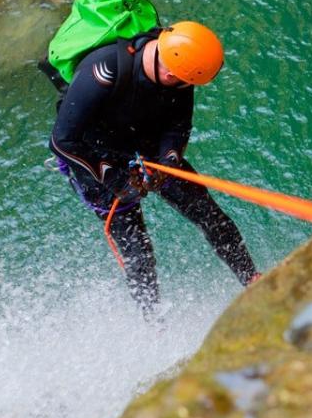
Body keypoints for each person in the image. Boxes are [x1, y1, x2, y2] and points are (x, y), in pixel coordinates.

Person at [47, 21, 260, 317]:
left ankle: (253, 281)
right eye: (186, 82)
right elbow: (62, 141)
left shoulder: (181, 70)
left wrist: (168, 162)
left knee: (210, 216)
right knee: (138, 251)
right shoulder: (104, 71)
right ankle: (153, 320)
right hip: (95, 161)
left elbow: (178, 125)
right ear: (171, 72)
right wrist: (114, 178)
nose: (189, 88)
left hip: (145, 153)